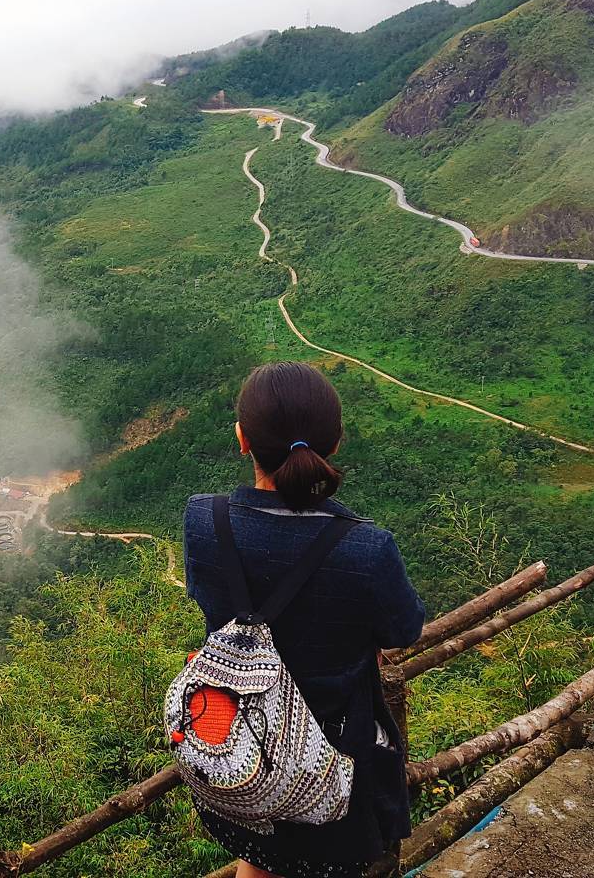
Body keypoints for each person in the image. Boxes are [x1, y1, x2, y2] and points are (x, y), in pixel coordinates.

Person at [183, 361, 425, 878]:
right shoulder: (367, 548)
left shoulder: (205, 521)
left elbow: (211, 599)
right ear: (334, 444)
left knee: (260, 858)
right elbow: (404, 630)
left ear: (241, 439)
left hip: (240, 746)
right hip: (331, 757)